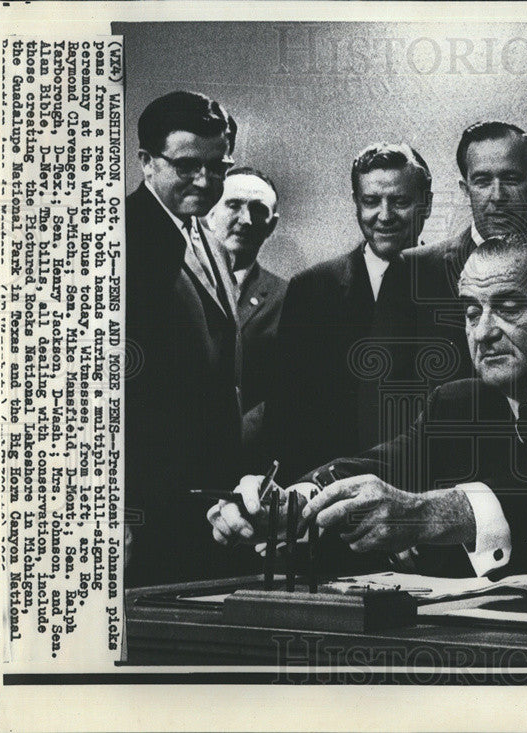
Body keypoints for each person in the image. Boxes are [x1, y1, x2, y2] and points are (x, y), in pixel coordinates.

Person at [210, 235, 527, 589]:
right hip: (502, 635)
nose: (483, 331)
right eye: (470, 312)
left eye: (507, 307)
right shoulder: (459, 399)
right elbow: (384, 463)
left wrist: (433, 513)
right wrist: (297, 500)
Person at [262, 143, 434, 485]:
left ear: (426, 204)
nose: (385, 215)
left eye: (400, 201)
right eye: (371, 201)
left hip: (426, 493)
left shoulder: (456, 286)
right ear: (356, 203)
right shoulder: (311, 289)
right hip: (330, 493)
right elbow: (284, 415)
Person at [125, 91, 243, 585]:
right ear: (147, 163)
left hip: (205, 498)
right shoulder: (120, 236)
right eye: (188, 164)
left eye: (217, 166)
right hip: (146, 506)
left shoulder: (207, 237)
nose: (205, 179)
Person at [406, 121, 527, 379]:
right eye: (483, 181)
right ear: (466, 190)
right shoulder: (412, 269)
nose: (497, 196)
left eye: (511, 178)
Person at [204, 166, 287, 458]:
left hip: (247, 460)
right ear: (209, 212)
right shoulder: (172, 284)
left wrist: (230, 442)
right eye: (233, 205)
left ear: (272, 225)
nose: (245, 220)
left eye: (258, 210)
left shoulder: (288, 298)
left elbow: (286, 391)